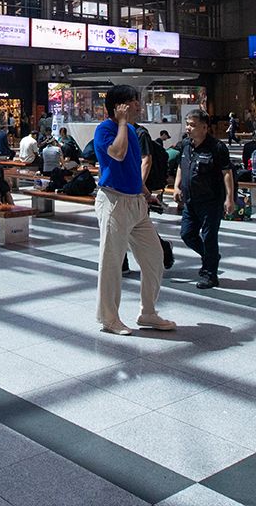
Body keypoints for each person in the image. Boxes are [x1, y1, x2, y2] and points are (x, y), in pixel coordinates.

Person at [92, 84, 175, 336]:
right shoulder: (105, 129)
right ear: (119, 106)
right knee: (112, 262)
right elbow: (117, 154)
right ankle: (109, 318)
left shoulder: (130, 129)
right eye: (134, 102)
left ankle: (147, 311)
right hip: (114, 202)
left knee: (154, 256)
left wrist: (148, 196)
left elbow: (132, 168)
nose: (139, 106)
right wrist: (120, 122)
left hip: (136, 202)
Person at [173, 109, 234, 289]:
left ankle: (210, 274)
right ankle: (210, 257)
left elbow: (227, 173)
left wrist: (229, 198)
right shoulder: (185, 145)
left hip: (211, 201)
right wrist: (177, 186)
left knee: (209, 237)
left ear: (205, 127)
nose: (188, 128)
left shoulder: (217, 147)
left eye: (192, 125)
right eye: (187, 124)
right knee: (187, 234)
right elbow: (180, 166)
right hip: (191, 201)